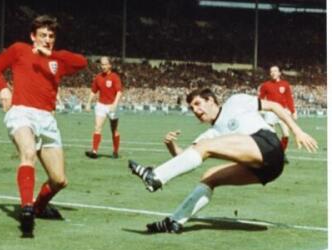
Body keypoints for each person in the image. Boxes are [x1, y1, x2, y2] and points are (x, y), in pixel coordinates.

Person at [128, 88, 317, 234]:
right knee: (209, 177)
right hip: (268, 171)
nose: (196, 110)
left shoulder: (235, 101)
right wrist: (170, 145)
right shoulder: (210, 135)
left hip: (268, 146)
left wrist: (297, 131)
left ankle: (156, 176)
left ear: (211, 100)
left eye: (198, 103)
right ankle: (175, 222)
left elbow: (274, 106)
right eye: (192, 108)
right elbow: (186, 157)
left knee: (205, 146)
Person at [0, 15, 87, 237]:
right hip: (21, 112)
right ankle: (27, 209)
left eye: (51, 36)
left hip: (47, 120)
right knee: (28, 152)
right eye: (42, 35)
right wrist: (3, 88)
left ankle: (39, 207)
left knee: (59, 180)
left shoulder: (57, 60)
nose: (47, 39)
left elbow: (82, 62)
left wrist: (52, 55)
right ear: (33, 37)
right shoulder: (19, 49)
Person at [85, 56, 123, 159]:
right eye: (102, 64)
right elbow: (93, 91)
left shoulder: (115, 77)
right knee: (97, 127)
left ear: (110, 65)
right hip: (101, 105)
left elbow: (119, 92)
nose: (103, 66)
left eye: (105, 64)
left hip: (112, 106)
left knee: (114, 130)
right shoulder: (98, 77)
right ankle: (94, 151)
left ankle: (115, 151)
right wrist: (88, 103)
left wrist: (115, 105)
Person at [259, 65, 297, 152]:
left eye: (275, 71)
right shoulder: (265, 85)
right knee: (271, 134)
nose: (273, 73)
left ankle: (281, 152)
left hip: (282, 111)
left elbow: (289, 99)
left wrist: (293, 111)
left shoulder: (285, 84)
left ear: (279, 73)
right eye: (271, 71)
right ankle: (273, 152)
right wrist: (259, 108)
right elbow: (260, 98)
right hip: (270, 112)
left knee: (286, 134)